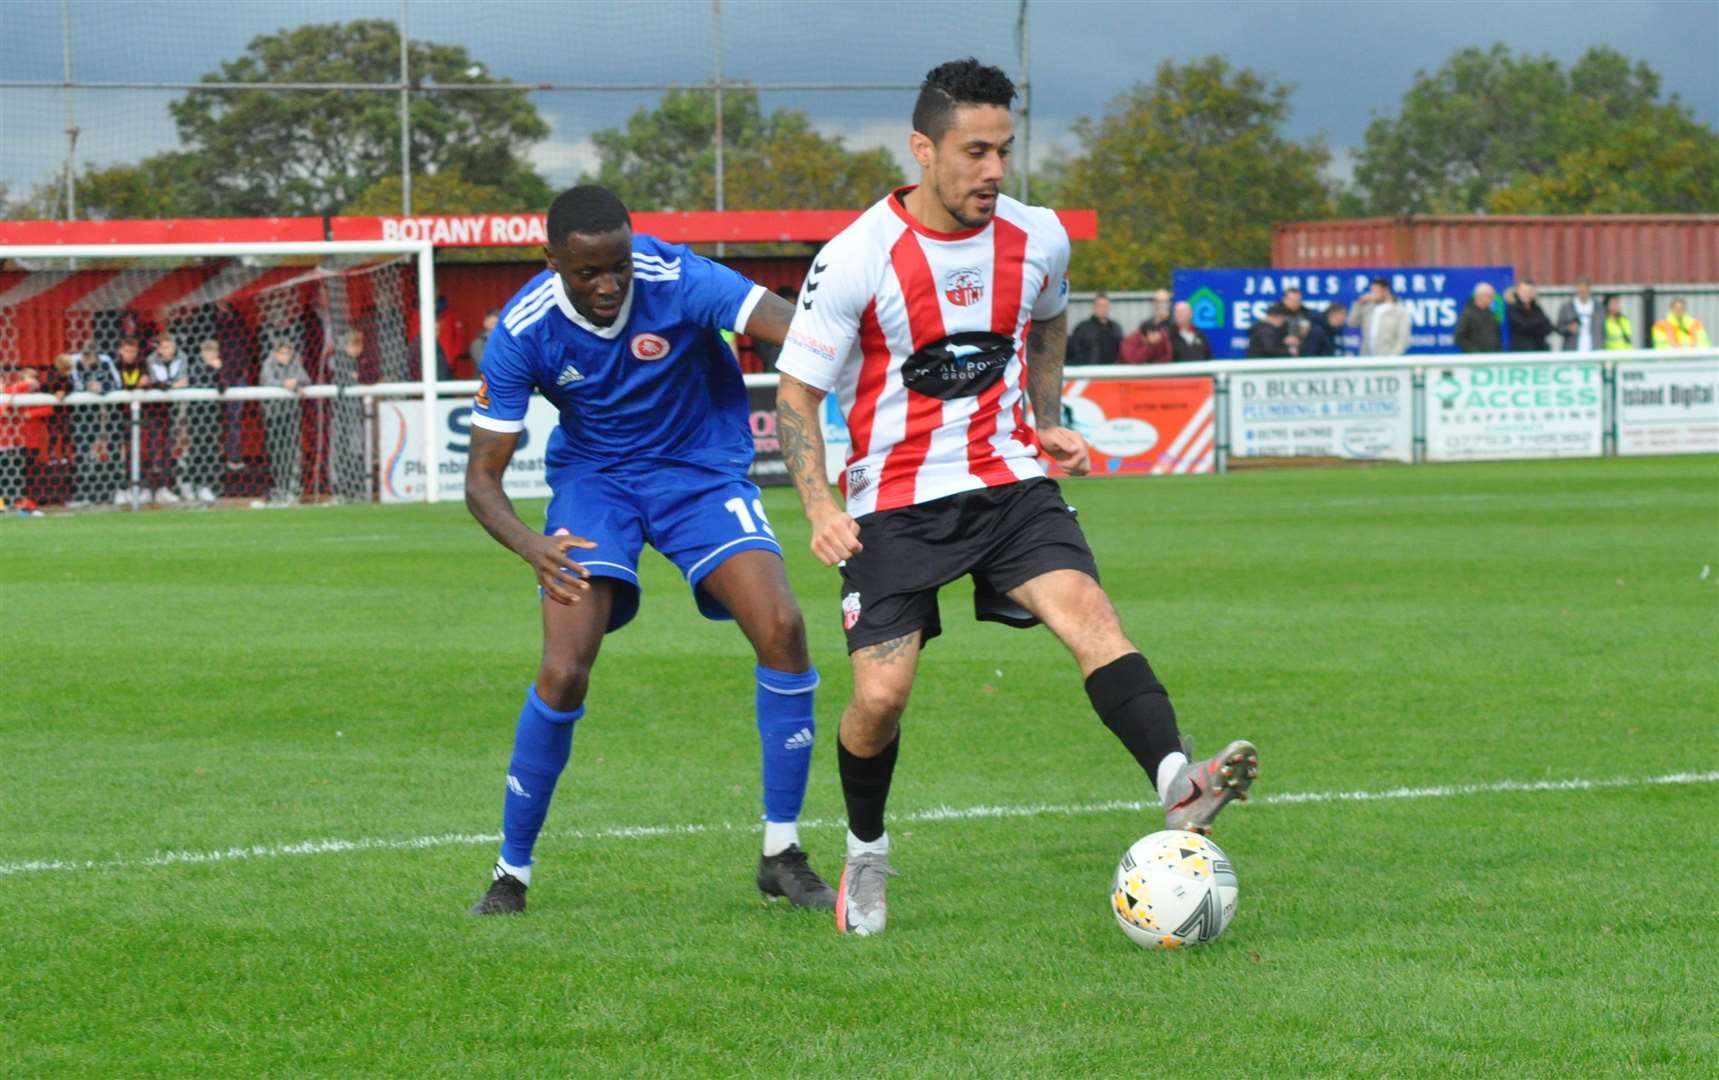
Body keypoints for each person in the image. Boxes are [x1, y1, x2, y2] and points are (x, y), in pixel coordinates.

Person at [771, 58, 1259, 938]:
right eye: (973, 152)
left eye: (1002, 150)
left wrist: (1045, 416)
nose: (993, 170)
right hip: (892, 500)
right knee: (879, 700)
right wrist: (817, 506)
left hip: (1008, 481)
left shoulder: (1038, 237)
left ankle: (1177, 781)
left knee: (1092, 619)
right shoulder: (855, 257)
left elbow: (1047, 320)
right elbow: (797, 394)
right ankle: (866, 853)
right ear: (922, 150)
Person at [463, 184, 835, 917]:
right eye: (587, 273)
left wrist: (826, 345)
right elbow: (481, 479)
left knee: (784, 628)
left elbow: (787, 326)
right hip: (596, 485)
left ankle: (781, 851)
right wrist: (531, 546)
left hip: (698, 475)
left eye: (618, 267)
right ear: (552, 263)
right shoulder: (523, 330)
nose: (607, 286)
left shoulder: (677, 275)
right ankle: (511, 874)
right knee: (564, 670)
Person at [68, 344, 122, 507]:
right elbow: (73, 384)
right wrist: (86, 388)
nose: (86, 362)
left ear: (95, 357)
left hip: (109, 413)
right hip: (84, 414)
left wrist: (103, 388)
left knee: (111, 449)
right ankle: (83, 494)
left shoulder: (106, 361)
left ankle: (111, 492)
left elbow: (118, 382)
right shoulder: (73, 362)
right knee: (83, 452)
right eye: (84, 358)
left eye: (89, 359)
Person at [257, 339, 308, 506]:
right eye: (283, 353)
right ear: (276, 353)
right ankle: (278, 489)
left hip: (291, 414)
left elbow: (305, 378)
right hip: (274, 415)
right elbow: (267, 380)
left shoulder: (295, 363)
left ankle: (292, 490)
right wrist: (285, 384)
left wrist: (297, 383)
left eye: (289, 353)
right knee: (276, 453)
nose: (286, 357)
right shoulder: (268, 364)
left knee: (292, 452)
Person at [143, 332, 188, 504]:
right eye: (163, 347)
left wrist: (170, 385)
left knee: (175, 444)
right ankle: (151, 488)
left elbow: (184, 379)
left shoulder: (182, 357)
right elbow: (156, 382)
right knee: (154, 444)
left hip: (177, 407)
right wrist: (172, 384)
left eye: (169, 346)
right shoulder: (150, 359)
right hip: (155, 408)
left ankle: (171, 486)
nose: (166, 350)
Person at [179, 339, 224, 503]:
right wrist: (211, 368)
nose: (210, 355)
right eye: (207, 351)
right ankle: (188, 482)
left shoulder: (220, 366)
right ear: (202, 353)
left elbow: (223, 387)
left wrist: (219, 371)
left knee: (210, 449)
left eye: (213, 351)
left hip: (213, 413)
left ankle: (204, 485)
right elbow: (199, 382)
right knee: (197, 448)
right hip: (196, 413)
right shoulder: (195, 366)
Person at [327, 329, 369, 501]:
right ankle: (341, 490)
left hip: (357, 416)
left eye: (358, 345)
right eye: (352, 344)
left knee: (357, 451)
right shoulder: (336, 361)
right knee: (341, 452)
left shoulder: (364, 361)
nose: (356, 349)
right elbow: (340, 378)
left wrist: (360, 377)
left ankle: (357, 489)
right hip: (340, 416)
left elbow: (371, 377)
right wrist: (353, 377)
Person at [1352, 277, 1411, 357]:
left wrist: (1392, 357)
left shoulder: (1400, 312)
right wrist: (1359, 304)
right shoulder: (1368, 309)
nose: (1373, 294)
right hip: (1367, 359)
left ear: (1385, 291)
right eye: (1372, 291)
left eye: (1376, 291)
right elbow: (1352, 323)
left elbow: (1403, 339)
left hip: (1387, 360)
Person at [1068, 294, 1123, 366]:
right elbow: (1073, 350)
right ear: (1094, 307)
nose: (1102, 308)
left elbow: (1121, 351)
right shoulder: (1082, 328)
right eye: (1099, 305)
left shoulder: (1115, 328)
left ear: (1109, 307)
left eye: (1105, 306)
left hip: (1110, 372)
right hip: (1088, 371)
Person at [1454, 283, 1501, 353]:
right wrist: (1474, 351)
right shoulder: (1467, 314)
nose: (1492, 299)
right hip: (1475, 360)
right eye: (1490, 296)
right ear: (1480, 296)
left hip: (1492, 357)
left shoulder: (1491, 314)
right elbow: (1459, 337)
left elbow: (1496, 335)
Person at [1506, 282, 1554, 352]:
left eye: (1530, 291)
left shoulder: (1537, 308)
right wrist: (1538, 324)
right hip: (1521, 352)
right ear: (1518, 292)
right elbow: (1523, 326)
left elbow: (1549, 327)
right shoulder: (1512, 308)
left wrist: (1531, 325)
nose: (1527, 294)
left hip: (1539, 350)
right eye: (1524, 291)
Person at [1555, 278, 1600, 352]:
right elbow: (1558, 327)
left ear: (1589, 289)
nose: (1583, 293)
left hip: (1594, 350)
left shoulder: (1598, 308)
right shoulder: (1567, 308)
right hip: (1573, 350)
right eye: (1581, 291)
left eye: (1585, 290)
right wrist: (1568, 328)